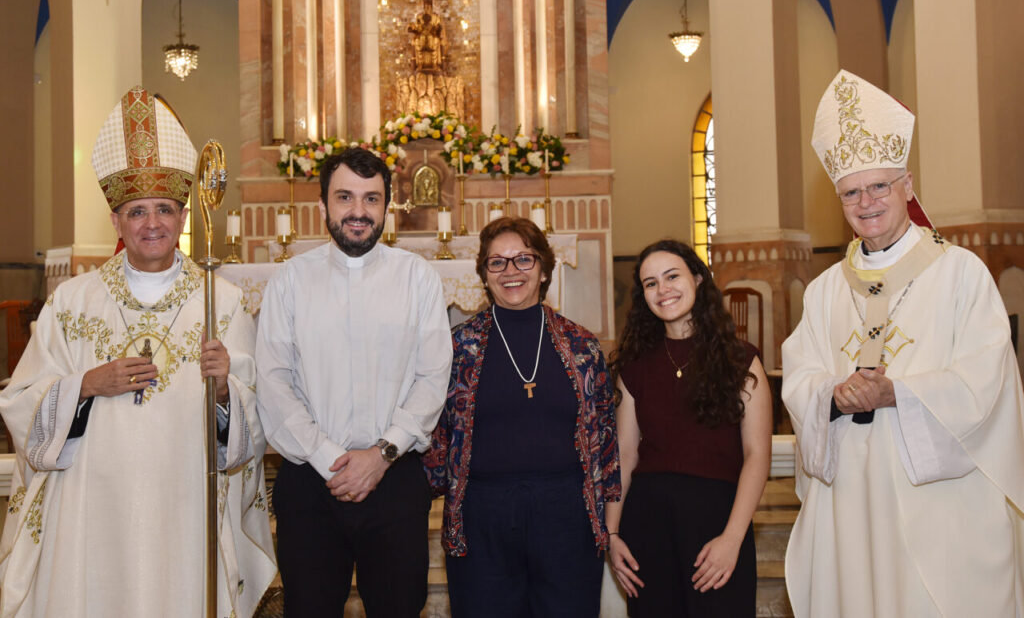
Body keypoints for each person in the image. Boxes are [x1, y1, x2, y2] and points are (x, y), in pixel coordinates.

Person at [0, 86, 276, 617]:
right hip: (89, 505)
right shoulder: (71, 301)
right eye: (137, 211)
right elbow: (20, 400)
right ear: (117, 221)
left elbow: (253, 424)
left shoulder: (224, 302)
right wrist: (84, 385)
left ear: (182, 218)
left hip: (184, 504)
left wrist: (224, 389)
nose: (153, 224)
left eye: (165, 210)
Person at [782, 69, 1024, 616]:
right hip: (853, 509)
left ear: (907, 186)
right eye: (850, 191)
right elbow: (800, 376)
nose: (865, 202)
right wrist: (831, 394)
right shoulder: (822, 293)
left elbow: (989, 381)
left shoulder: (961, 275)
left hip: (940, 508)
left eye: (878, 186)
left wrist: (899, 394)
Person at [255, 147, 452, 616]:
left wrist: (381, 454)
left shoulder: (418, 279)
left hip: (396, 478)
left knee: (399, 608)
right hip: (310, 483)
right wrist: (330, 458)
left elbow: (432, 377)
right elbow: (274, 382)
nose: (358, 212)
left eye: (371, 199)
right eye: (345, 197)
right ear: (322, 205)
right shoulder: (289, 281)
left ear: (387, 207)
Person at [423, 216, 620, 617]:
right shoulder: (457, 347)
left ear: (545, 268)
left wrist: (610, 523)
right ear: (484, 273)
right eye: (497, 262)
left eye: (523, 260)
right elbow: (436, 435)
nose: (511, 272)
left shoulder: (582, 345)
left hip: (567, 513)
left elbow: (605, 439)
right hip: (482, 517)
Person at [605, 239, 772, 616]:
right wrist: (612, 534)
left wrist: (732, 538)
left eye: (672, 276)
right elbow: (625, 455)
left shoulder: (740, 359)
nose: (662, 290)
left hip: (718, 522)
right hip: (648, 524)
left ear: (697, 279)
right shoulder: (635, 365)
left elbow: (756, 455)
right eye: (650, 283)